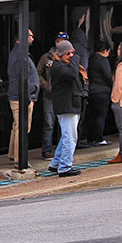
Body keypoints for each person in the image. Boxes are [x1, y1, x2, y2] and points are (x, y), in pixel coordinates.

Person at [47, 40, 83, 177]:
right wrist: (76, 59)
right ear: (61, 54)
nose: (72, 55)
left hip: (69, 103)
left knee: (67, 135)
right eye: (68, 53)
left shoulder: (62, 65)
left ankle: (56, 163)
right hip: (66, 105)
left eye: (73, 52)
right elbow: (72, 74)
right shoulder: (58, 67)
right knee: (70, 136)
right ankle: (65, 166)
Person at [7, 29, 39, 165]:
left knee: (17, 126)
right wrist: (28, 96)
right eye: (31, 36)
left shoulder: (18, 53)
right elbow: (23, 78)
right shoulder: (20, 55)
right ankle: (20, 159)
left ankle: (13, 154)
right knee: (22, 126)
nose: (33, 39)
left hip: (18, 95)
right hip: (21, 96)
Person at [36, 31, 69, 160]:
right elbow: (37, 73)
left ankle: (62, 150)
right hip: (50, 95)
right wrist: (46, 85)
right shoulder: (47, 57)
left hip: (63, 94)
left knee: (64, 124)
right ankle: (47, 150)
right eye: (59, 41)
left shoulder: (70, 56)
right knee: (49, 123)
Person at [87, 40, 113, 146]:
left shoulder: (91, 58)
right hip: (102, 91)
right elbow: (107, 76)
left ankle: (91, 137)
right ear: (105, 50)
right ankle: (99, 138)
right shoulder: (103, 60)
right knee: (101, 115)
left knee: (93, 115)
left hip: (92, 90)